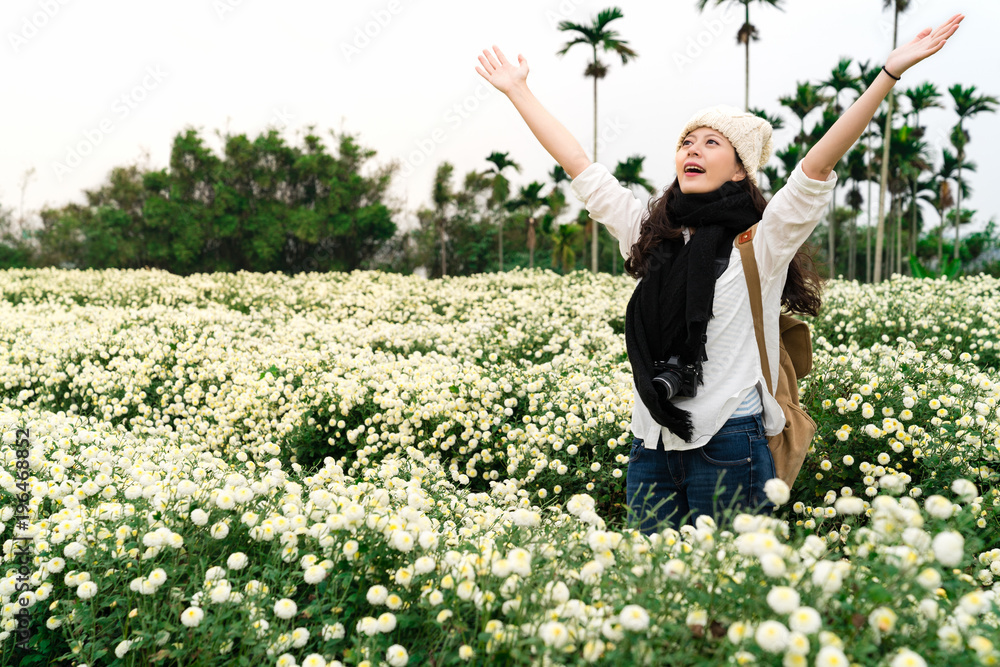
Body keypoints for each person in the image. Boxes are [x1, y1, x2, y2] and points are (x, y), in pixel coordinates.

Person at [476, 14, 963, 533]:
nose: (693, 149)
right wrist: (517, 91)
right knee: (653, 598)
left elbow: (817, 165)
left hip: (730, 442)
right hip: (651, 446)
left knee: (729, 601)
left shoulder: (762, 239)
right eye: (688, 141)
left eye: (712, 143)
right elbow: (579, 164)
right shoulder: (649, 230)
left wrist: (887, 74)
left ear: (739, 169)